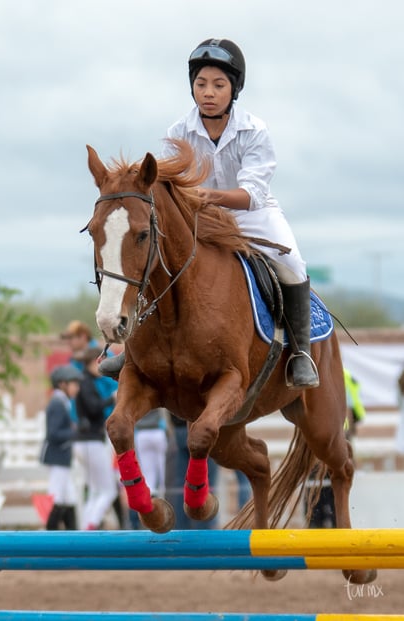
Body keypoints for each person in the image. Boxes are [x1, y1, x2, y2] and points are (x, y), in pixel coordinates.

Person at [101, 38, 318, 389]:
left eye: (219, 85)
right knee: (155, 258)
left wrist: (210, 195)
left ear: (234, 88)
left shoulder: (254, 130)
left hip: (252, 213)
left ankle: (300, 354)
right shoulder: (178, 131)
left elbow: (251, 194)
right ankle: (133, 349)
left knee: (294, 264)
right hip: (197, 217)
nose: (208, 93)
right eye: (201, 84)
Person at [304, 368, 366, 528]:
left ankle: (321, 534)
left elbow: (347, 413)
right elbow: (350, 414)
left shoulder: (319, 371)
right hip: (334, 441)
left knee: (320, 500)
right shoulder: (344, 374)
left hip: (325, 443)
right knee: (329, 499)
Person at [74, 347, 119, 530]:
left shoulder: (85, 381)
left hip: (86, 442)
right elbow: (93, 408)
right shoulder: (86, 382)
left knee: (94, 491)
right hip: (91, 441)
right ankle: (90, 527)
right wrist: (111, 399)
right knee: (109, 491)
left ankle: (86, 529)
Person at [40, 364, 83, 530]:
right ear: (62, 384)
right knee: (58, 496)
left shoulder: (62, 402)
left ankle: (72, 537)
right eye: (74, 384)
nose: (77, 388)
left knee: (68, 497)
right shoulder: (57, 403)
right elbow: (53, 433)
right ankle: (51, 535)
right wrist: (74, 432)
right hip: (58, 457)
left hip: (62, 457)